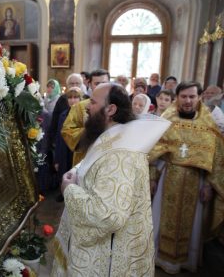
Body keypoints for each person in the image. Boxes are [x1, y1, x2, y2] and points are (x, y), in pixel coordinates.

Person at [52, 83, 171, 276]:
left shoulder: (121, 154)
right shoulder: (116, 136)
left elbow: (108, 216)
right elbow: (96, 165)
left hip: (105, 259)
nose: (87, 107)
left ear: (111, 109)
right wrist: (77, 171)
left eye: (92, 102)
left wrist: (68, 189)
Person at [149, 81, 224, 274]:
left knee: (193, 224)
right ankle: (159, 257)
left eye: (192, 96)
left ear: (200, 97)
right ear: (177, 98)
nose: (188, 100)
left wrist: (208, 185)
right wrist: (153, 178)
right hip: (168, 177)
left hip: (196, 181)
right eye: (184, 96)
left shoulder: (208, 125)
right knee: (161, 218)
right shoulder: (166, 120)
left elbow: (216, 159)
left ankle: (186, 261)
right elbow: (155, 153)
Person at [61, 69, 110, 165]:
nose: (100, 87)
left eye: (104, 83)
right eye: (97, 83)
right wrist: (89, 131)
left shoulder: (115, 106)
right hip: (84, 158)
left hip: (109, 158)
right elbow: (67, 130)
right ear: (90, 84)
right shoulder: (79, 106)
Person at [53, 86, 82, 202]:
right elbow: (59, 136)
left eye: (76, 97)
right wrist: (56, 159)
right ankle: (64, 193)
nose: (72, 100)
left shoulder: (82, 115)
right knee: (64, 171)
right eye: (70, 97)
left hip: (76, 148)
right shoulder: (63, 115)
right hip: (64, 148)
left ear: (80, 99)